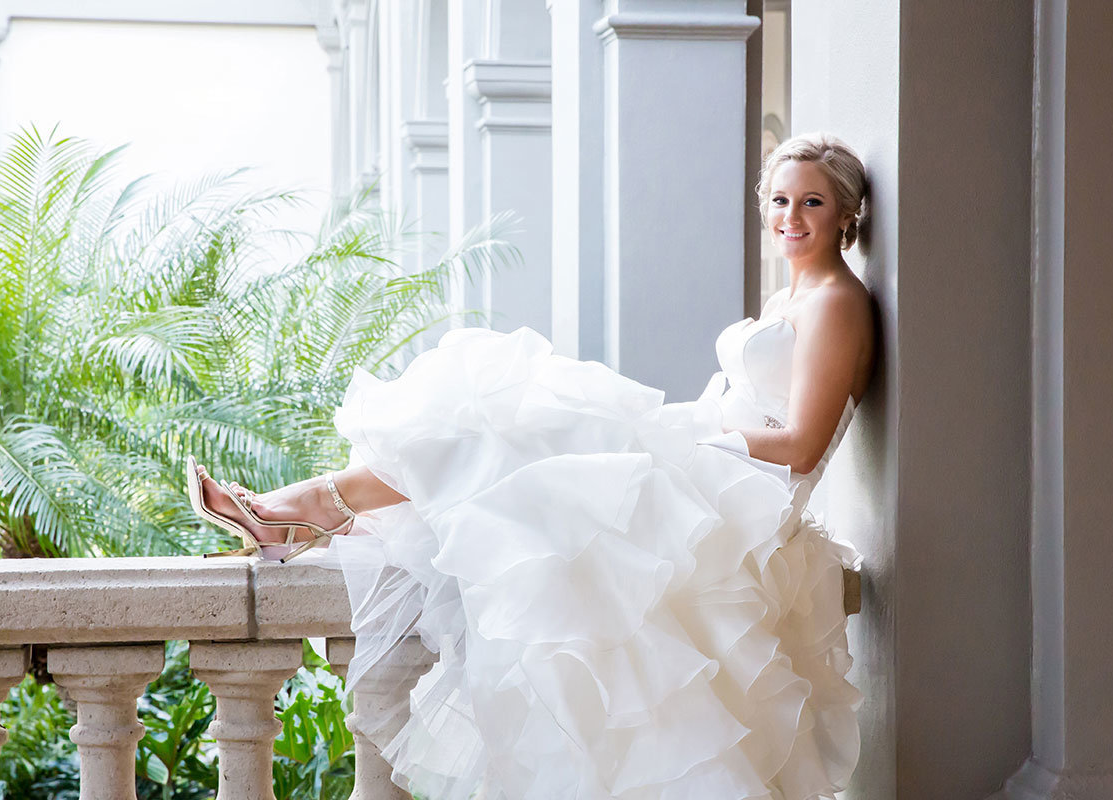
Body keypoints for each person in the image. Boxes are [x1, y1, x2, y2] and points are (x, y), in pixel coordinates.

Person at [187, 131, 875, 799]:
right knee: (505, 419)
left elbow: (803, 446)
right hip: (713, 457)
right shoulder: (791, 297)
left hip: (746, 493)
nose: (791, 217)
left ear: (846, 213)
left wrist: (680, 439)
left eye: (812, 202)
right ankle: (315, 505)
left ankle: (310, 510)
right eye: (781, 201)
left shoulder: (837, 304)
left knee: (533, 427)